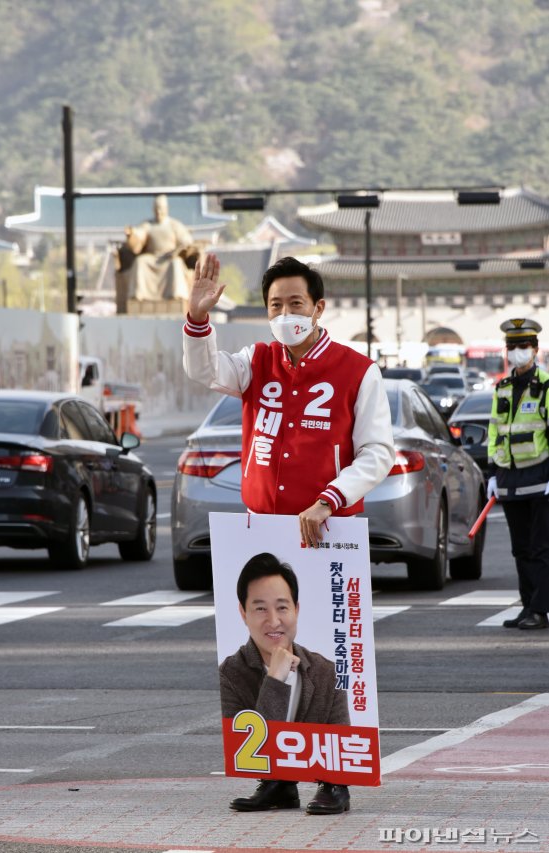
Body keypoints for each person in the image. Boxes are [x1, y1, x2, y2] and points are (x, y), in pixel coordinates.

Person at [182, 253, 394, 549]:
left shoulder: (358, 371)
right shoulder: (257, 360)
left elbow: (377, 452)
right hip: (259, 525)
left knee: (321, 597)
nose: (285, 314)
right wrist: (198, 317)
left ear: (317, 308)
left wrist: (329, 500)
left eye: (296, 303)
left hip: (328, 526)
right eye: (276, 305)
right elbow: (204, 371)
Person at [220, 552, 350, 815]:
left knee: (336, 774)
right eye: (260, 608)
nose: (274, 621)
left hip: (330, 774)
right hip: (267, 768)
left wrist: (337, 778)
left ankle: (333, 786)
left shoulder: (325, 671)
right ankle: (277, 785)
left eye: (282, 607)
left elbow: (341, 740)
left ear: (296, 609)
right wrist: (275, 680)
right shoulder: (232, 672)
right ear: (243, 613)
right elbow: (248, 750)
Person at [487, 318, 549, 630]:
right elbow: (495, 432)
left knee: (540, 549)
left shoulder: (547, 386)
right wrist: (492, 475)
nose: (517, 352)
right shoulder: (503, 388)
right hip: (510, 481)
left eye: (523, 346)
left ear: (536, 349)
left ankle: (540, 609)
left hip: (540, 480)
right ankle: (528, 608)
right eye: (512, 346)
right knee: (520, 550)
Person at [126, 194, 194, 302]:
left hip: (170, 258)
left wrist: (178, 250)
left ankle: (176, 295)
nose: (159, 211)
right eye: (156, 208)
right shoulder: (148, 224)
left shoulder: (174, 224)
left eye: (161, 208)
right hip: (153, 258)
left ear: (166, 209)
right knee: (140, 261)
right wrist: (132, 234)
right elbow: (139, 234)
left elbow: (186, 240)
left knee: (175, 263)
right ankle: (138, 295)